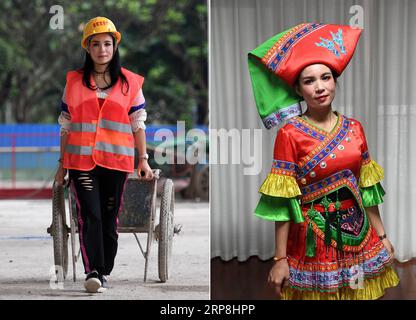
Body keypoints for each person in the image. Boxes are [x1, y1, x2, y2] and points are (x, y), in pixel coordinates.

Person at [248, 23, 399, 299]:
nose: (319, 87)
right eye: (309, 81)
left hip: (360, 236)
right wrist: (279, 259)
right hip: (313, 241)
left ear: (335, 81)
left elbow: (367, 191)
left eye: (325, 77)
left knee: (358, 294)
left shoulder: (355, 128)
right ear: (298, 89)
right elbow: (283, 201)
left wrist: (383, 235)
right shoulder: (289, 133)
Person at [54, 16, 153, 293]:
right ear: (87, 48)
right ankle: (94, 271)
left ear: (114, 46)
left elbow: (138, 124)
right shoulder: (73, 82)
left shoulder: (130, 83)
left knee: (110, 219)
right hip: (81, 162)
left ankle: (105, 269)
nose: (102, 50)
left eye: (107, 44)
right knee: (91, 215)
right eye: (95, 44)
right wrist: (61, 165)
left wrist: (143, 160)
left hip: (116, 162)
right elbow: (66, 123)